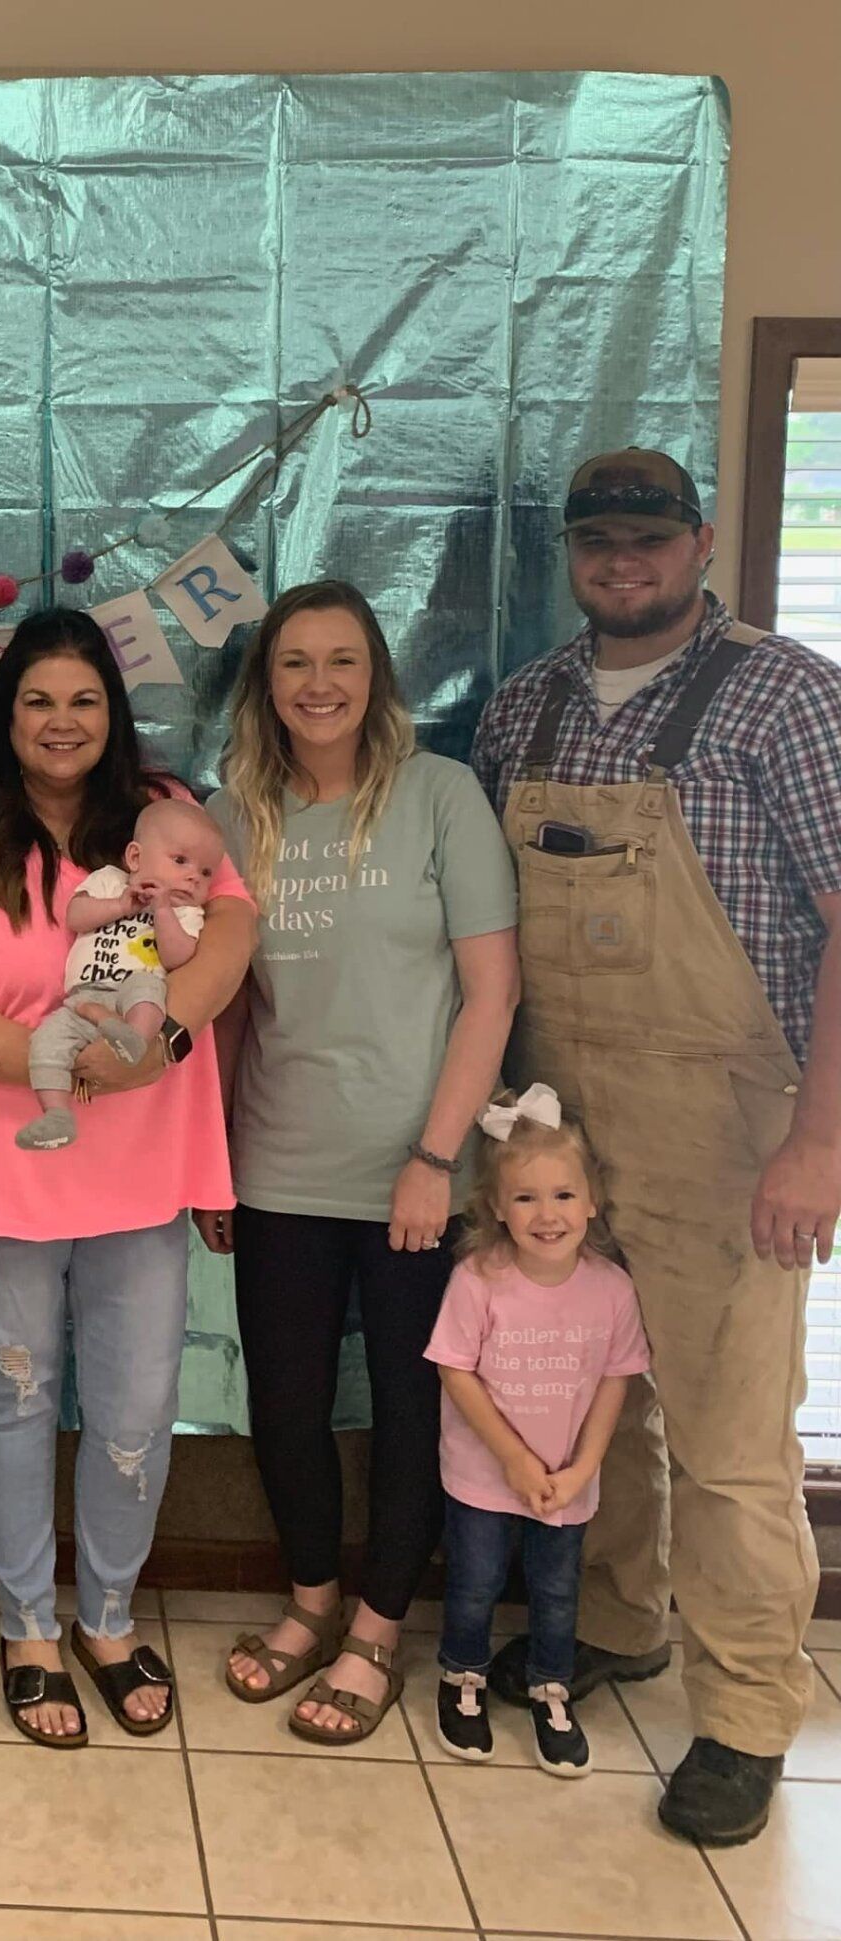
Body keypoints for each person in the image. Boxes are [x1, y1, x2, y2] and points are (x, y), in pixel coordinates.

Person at [472, 448, 841, 1844]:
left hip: (725, 1125)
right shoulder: (526, 708)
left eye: (649, 537)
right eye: (597, 541)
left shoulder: (788, 696)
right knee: (592, 1394)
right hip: (558, 1121)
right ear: (570, 554)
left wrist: (820, 1140)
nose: (622, 562)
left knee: (732, 1437)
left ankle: (745, 1713)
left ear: (700, 543)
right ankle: (620, 1621)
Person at [0, 608, 255, 1747]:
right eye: (38, 700)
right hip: (2, 1166)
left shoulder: (164, 811)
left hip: (143, 1171)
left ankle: (108, 1616)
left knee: (136, 1406)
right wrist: (76, 1067)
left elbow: (231, 933)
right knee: (13, 1398)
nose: (61, 721)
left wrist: (162, 1043)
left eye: (83, 700)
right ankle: (28, 1627)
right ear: (6, 715)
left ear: (113, 711)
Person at [203, 579, 518, 1747]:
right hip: (277, 1165)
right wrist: (211, 1159)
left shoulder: (441, 796)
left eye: (342, 660)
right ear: (266, 684)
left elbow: (494, 993)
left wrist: (436, 1157)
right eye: (295, 663)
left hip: (415, 1176)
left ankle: (379, 1628)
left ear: (377, 675)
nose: (319, 684)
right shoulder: (232, 817)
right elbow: (225, 1004)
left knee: (407, 1408)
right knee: (285, 1405)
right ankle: (311, 1603)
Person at [425, 1085, 650, 1778]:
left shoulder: (612, 1289)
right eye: (525, 1198)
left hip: (567, 1481)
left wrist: (582, 1469)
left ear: (592, 1201)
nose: (547, 1214)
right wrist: (515, 1460)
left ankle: (551, 1689)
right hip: (483, 1476)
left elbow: (616, 1381)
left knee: (556, 1593)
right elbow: (455, 1371)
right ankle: (462, 1675)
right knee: (475, 1583)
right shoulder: (478, 1280)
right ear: (496, 1206)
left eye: (563, 1195)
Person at [17, 796, 224, 1150]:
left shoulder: (186, 913)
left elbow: (177, 957)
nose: (194, 877)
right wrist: (119, 905)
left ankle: (134, 1040)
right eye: (180, 861)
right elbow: (76, 917)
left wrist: (163, 911)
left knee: (147, 989)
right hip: (83, 997)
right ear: (135, 858)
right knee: (46, 1040)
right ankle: (56, 1114)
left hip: (132, 998)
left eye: (206, 873)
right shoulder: (109, 882)